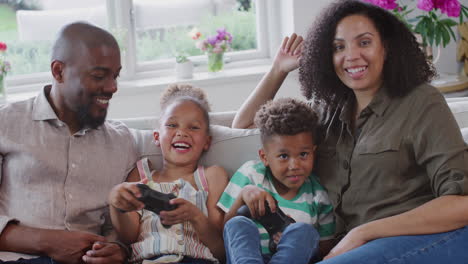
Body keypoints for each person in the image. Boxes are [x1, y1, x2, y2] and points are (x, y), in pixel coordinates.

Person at [232, 0, 468, 263]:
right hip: (348, 247)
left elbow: (462, 203)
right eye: (338, 47)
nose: (351, 56)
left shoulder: (422, 102)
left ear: (386, 47)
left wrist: (364, 233)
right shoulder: (327, 108)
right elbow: (244, 127)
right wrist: (277, 70)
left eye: (364, 42)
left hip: (418, 239)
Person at [0, 22, 138, 264]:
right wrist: (49, 242)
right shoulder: (7, 124)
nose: (113, 87)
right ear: (58, 71)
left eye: (115, 75)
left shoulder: (121, 142)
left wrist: (118, 249)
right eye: (99, 75)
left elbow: (119, 226)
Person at [108, 84, 229, 264]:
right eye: (172, 125)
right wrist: (117, 205)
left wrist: (195, 216)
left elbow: (221, 250)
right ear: (156, 137)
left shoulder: (212, 176)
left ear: (207, 141)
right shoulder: (141, 174)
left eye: (194, 128)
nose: (182, 132)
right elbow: (128, 237)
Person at [219, 98, 335, 264]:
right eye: (283, 156)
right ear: (264, 157)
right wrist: (243, 196)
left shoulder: (318, 195)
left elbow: (326, 248)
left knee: (304, 231)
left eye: (303, 154)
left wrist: (293, 240)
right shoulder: (251, 174)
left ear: (314, 152)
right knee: (238, 223)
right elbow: (227, 231)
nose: (294, 165)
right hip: (247, 259)